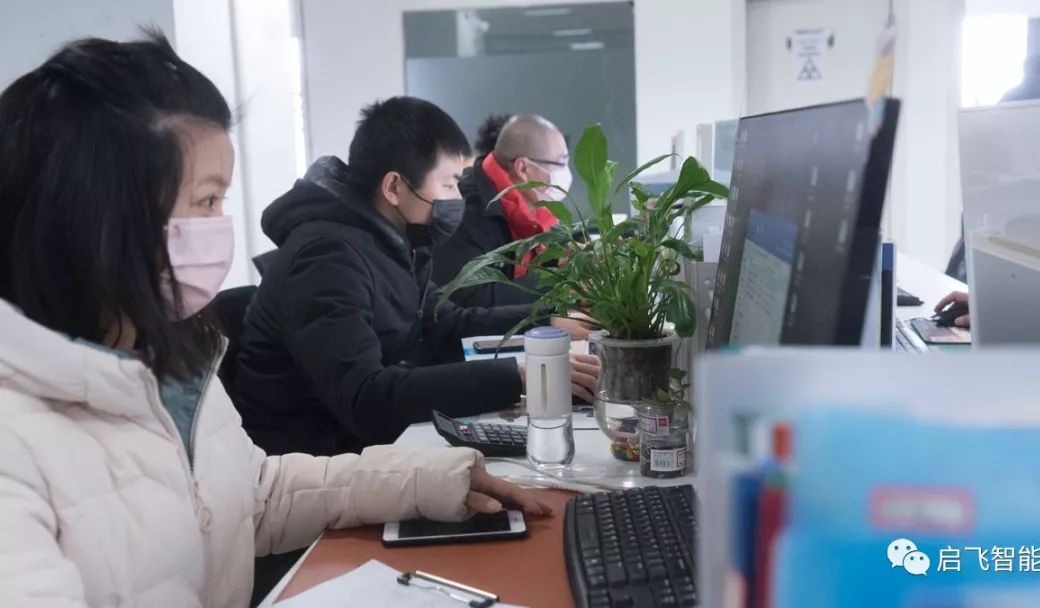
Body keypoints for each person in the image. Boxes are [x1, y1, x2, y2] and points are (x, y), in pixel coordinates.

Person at [0, 34, 548, 607]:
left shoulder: (171, 359)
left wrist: (427, 480)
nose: (221, 226)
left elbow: (255, 496)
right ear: (103, 213)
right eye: (207, 201)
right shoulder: (17, 447)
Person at [233, 98, 599, 457]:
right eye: (449, 184)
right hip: (320, 460)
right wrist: (518, 377)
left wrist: (549, 321)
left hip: (374, 443)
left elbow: (444, 323)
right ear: (394, 187)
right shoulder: (325, 258)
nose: (457, 197)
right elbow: (366, 397)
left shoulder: (390, 240)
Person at [432, 114, 572, 308]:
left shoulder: (538, 204)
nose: (566, 173)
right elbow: (470, 299)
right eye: (560, 164)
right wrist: (560, 281)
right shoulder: (465, 210)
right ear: (523, 169)